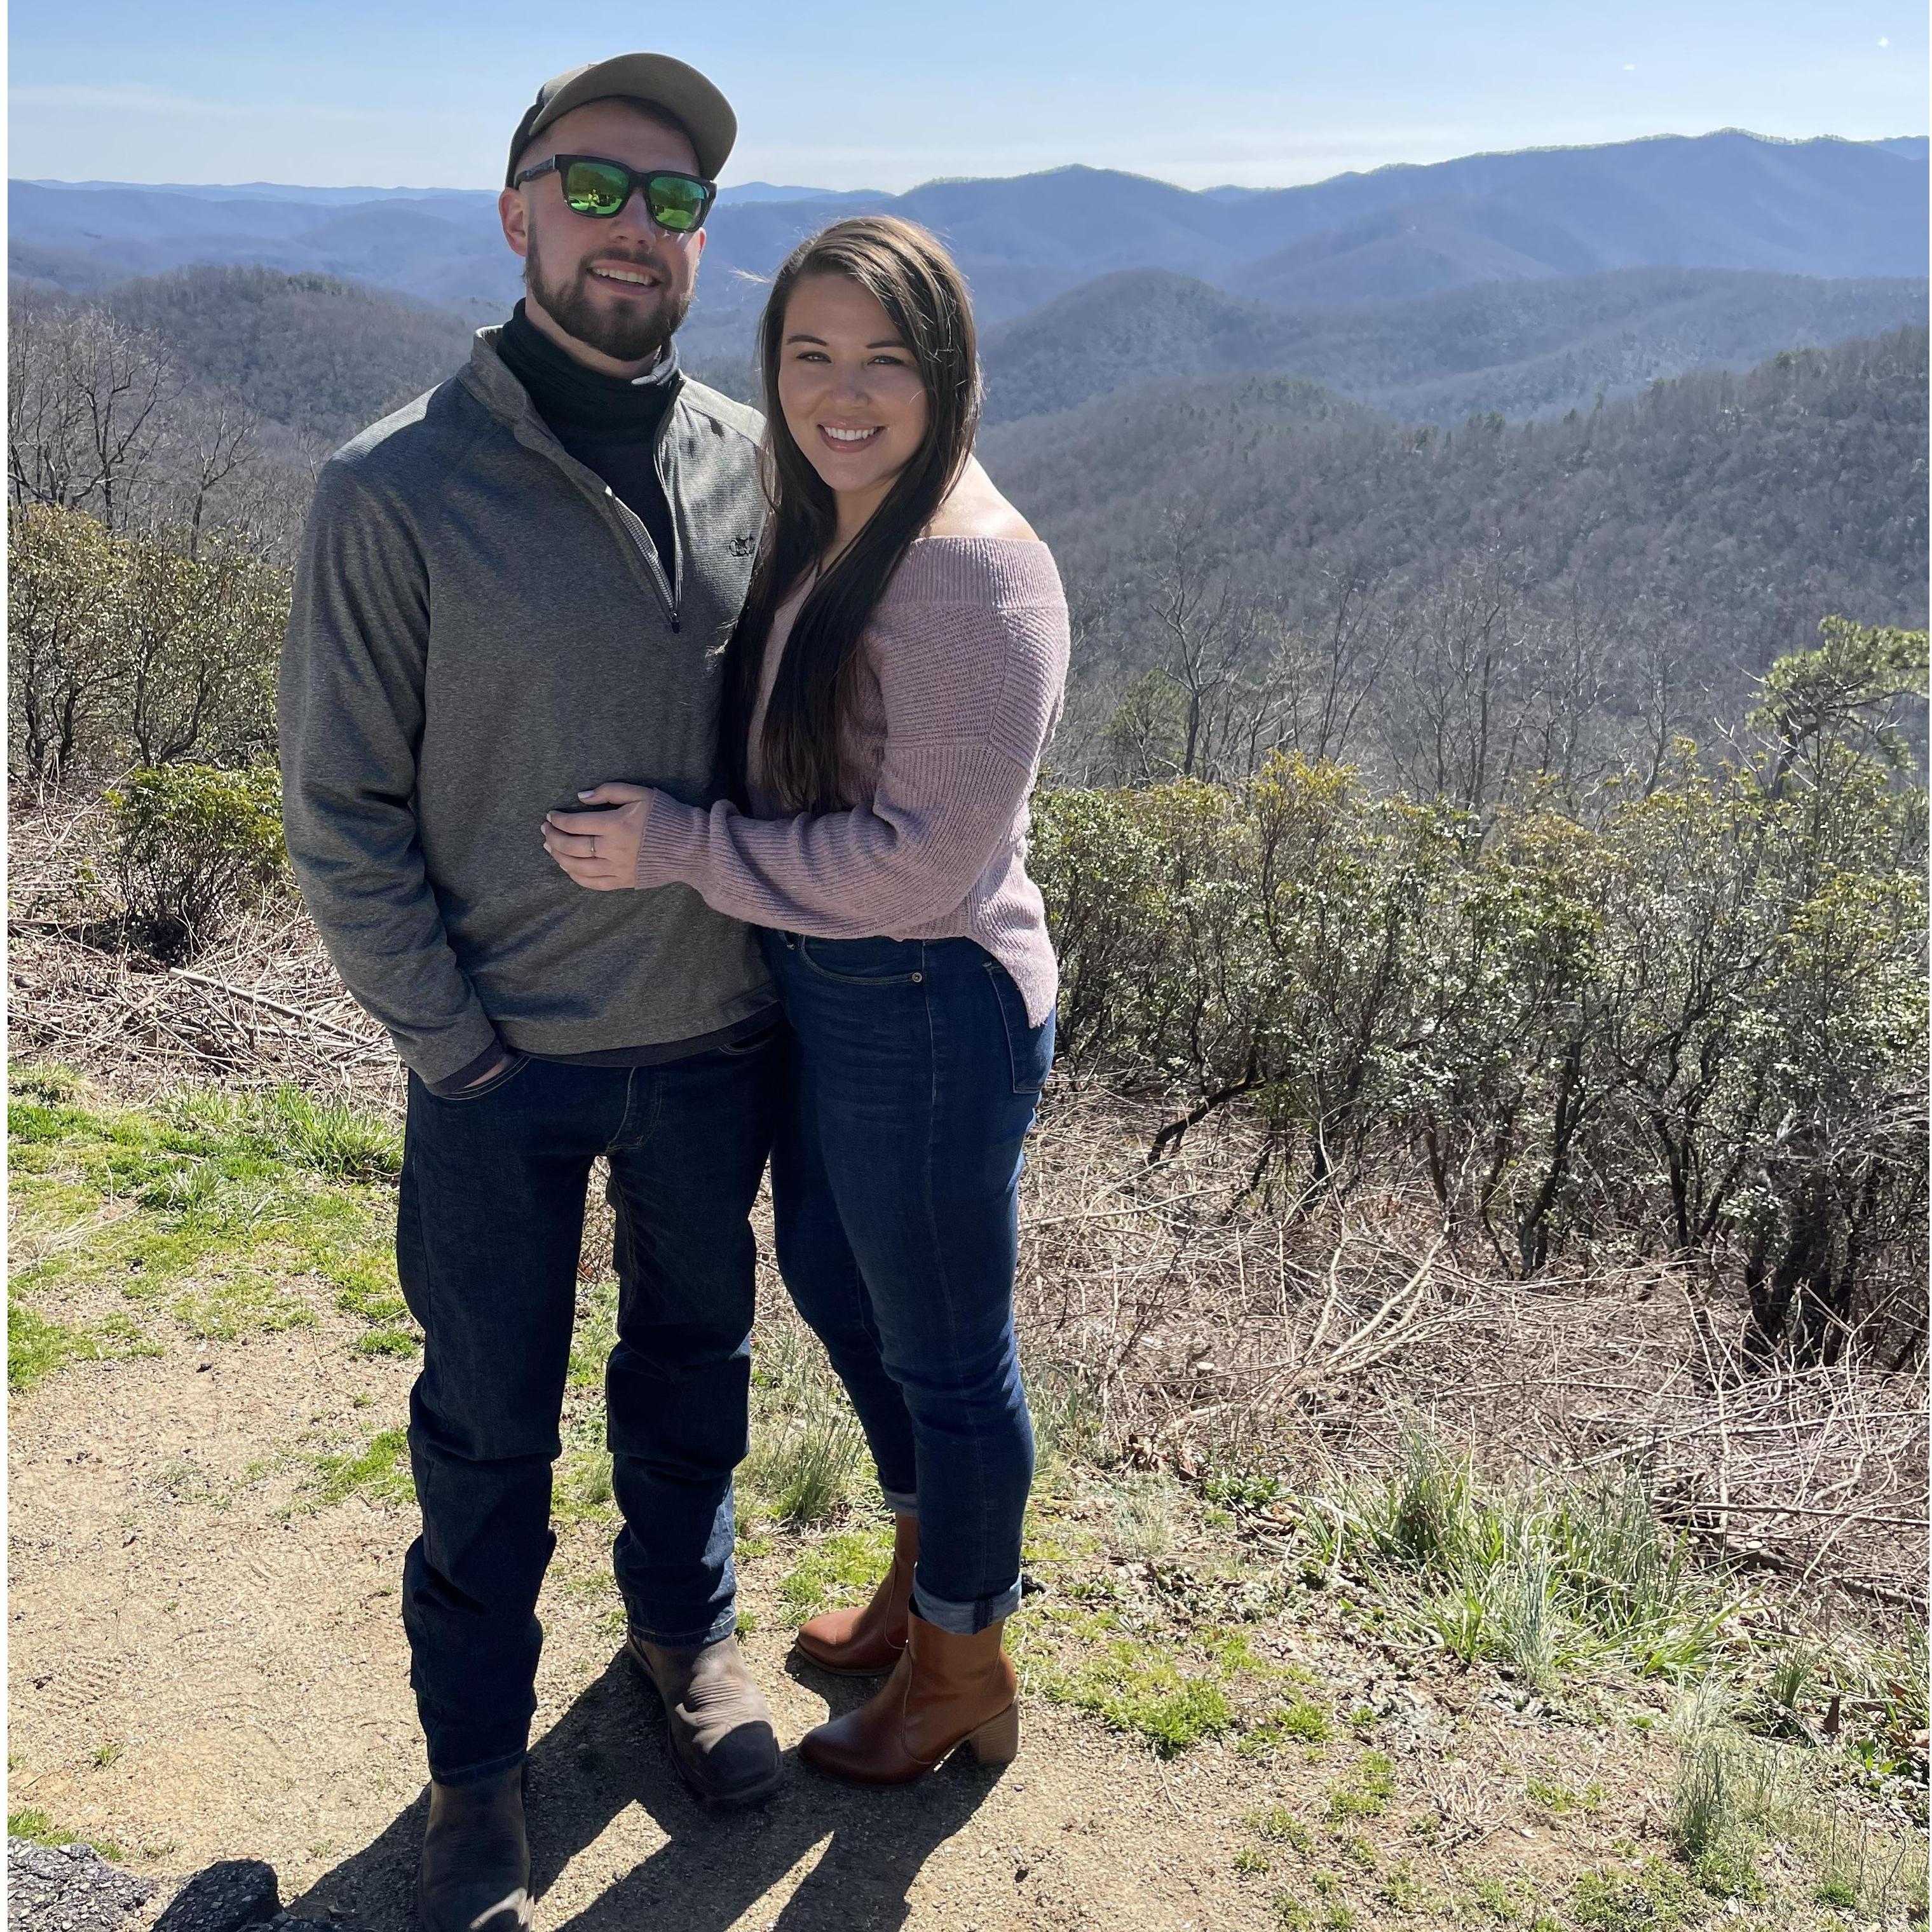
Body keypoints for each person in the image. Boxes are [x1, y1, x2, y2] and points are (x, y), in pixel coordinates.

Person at [279, 53, 786, 1932]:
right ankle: (473, 1772)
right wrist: (454, 1048)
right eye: (596, 187)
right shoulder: (393, 489)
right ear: (516, 214)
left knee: (692, 1385)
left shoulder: (752, 458)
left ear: (702, 240)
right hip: (500, 1070)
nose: (633, 229)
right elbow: (337, 810)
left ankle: (685, 1646)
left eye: (672, 201)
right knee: (485, 1421)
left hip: (718, 1044)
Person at [543, 214, 1071, 1785]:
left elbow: (919, 867)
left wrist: (681, 849)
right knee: (846, 1287)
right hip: (837, 993)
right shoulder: (837, 516)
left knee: (949, 1348)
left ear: (947, 374)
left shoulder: (977, 577)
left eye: (884, 363)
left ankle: (965, 1662)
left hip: (925, 993)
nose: (842, 394)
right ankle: (924, 1581)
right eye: (809, 355)